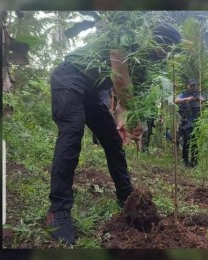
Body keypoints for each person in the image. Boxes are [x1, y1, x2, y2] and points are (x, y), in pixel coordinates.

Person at [47, 22, 182, 244]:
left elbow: (124, 103)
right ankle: (58, 210)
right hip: (69, 76)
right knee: (72, 132)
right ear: (154, 39)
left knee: (112, 140)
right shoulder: (125, 34)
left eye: (170, 52)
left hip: (93, 89)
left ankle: (126, 196)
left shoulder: (144, 65)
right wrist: (132, 114)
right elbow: (120, 79)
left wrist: (128, 120)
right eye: (166, 48)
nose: (166, 55)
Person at [175, 78, 206, 167]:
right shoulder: (183, 94)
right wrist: (186, 99)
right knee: (186, 142)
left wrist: (199, 100)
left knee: (195, 143)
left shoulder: (199, 94)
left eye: (194, 85)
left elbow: (204, 101)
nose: (193, 87)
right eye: (191, 86)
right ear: (188, 86)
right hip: (186, 122)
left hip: (197, 122)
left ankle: (194, 162)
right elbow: (176, 100)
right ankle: (185, 161)